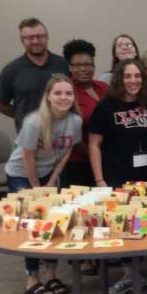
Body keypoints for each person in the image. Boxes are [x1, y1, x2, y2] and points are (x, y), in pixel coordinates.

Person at [4, 74, 81, 294]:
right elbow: (27, 156)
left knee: (52, 223)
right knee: (34, 223)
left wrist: (54, 177)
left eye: (68, 93)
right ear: (48, 96)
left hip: (49, 173)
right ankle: (32, 278)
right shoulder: (34, 121)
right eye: (58, 93)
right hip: (21, 174)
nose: (63, 97)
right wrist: (38, 189)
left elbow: (67, 150)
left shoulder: (75, 121)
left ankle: (51, 274)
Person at [89, 58, 147, 294]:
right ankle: (130, 274)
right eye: (128, 76)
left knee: (145, 226)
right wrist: (100, 181)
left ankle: (145, 273)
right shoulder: (106, 106)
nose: (133, 81)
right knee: (122, 229)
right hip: (117, 178)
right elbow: (94, 145)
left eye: (137, 76)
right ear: (120, 78)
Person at [0, 18, 70, 131]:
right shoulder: (11, 70)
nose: (35, 41)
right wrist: (23, 117)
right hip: (28, 139)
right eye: (29, 37)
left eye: (40, 36)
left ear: (47, 37)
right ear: (22, 40)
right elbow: (0, 105)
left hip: (60, 137)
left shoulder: (63, 64)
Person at [62, 40, 108, 187]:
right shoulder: (66, 92)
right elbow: (67, 131)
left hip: (107, 160)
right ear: (70, 67)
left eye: (88, 64)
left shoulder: (104, 88)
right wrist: (92, 153)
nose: (83, 69)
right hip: (78, 163)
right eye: (77, 65)